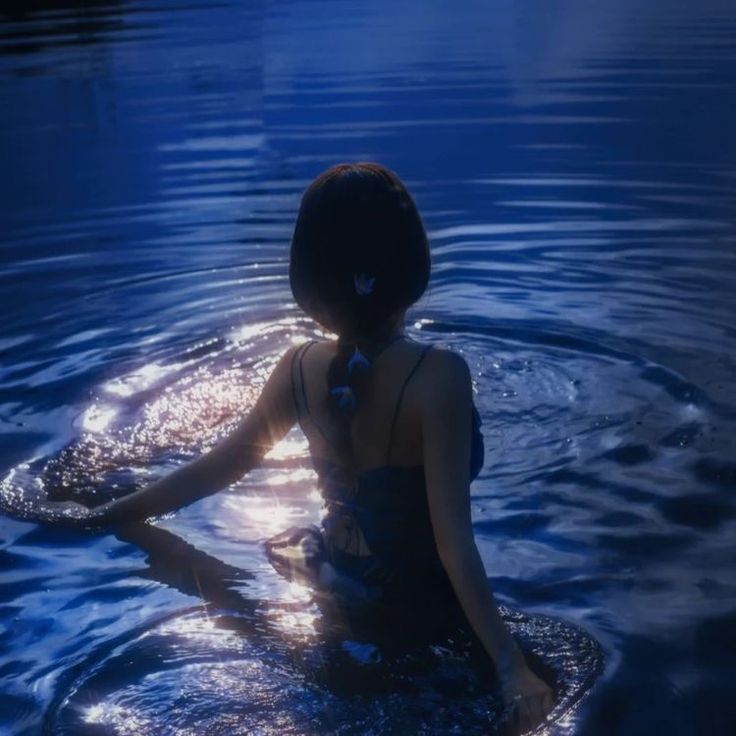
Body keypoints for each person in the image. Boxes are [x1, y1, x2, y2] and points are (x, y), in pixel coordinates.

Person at [56, 162, 555, 733]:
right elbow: (453, 543)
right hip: (420, 614)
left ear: (310, 283)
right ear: (412, 266)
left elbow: (216, 469)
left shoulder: (297, 367)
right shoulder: (438, 376)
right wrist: (512, 666)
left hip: (335, 592)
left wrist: (108, 516)